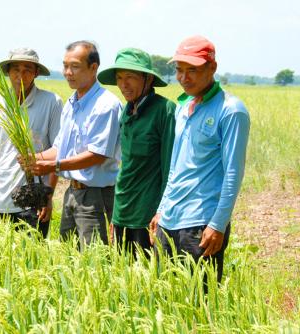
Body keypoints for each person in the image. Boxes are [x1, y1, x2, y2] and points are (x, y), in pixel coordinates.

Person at [150, 36, 250, 283]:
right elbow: (176, 164)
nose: (184, 78)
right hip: (170, 219)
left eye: (192, 70)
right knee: (164, 298)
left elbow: (233, 173)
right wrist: (162, 209)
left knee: (199, 306)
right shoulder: (183, 108)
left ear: (212, 68)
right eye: (179, 70)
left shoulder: (231, 110)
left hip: (200, 225)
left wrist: (218, 224)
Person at [26, 41, 122, 247]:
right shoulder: (71, 104)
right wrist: (35, 159)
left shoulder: (106, 105)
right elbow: (60, 148)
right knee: (70, 255)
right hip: (72, 193)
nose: (68, 72)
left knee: (95, 260)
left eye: (75, 66)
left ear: (94, 68)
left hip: (95, 195)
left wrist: (54, 166)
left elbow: (97, 155)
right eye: (65, 66)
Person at [0, 47, 62, 238]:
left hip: (34, 203)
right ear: (8, 72)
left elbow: (58, 150)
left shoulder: (51, 102)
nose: (21, 75)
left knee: (32, 260)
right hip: (0, 200)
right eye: (16, 69)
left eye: (28, 69)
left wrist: (48, 197)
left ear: (36, 73)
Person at [96, 48, 175, 257]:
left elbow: (170, 168)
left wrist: (162, 211)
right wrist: (116, 216)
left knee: (149, 279)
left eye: (130, 77)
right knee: (124, 276)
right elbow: (126, 167)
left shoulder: (165, 111)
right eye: (120, 78)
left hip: (147, 216)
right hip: (123, 212)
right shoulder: (126, 110)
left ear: (148, 79)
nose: (123, 84)